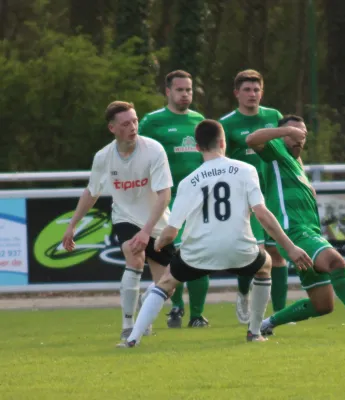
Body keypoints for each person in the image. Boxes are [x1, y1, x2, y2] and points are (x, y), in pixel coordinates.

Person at [116, 120, 313, 347]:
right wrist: (290, 248)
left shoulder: (189, 181)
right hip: (239, 249)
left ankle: (132, 339)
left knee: (166, 282)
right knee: (265, 265)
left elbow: (171, 232)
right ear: (223, 142)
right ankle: (254, 332)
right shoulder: (246, 170)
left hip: (199, 252)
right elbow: (263, 215)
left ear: (198, 148)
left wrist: (159, 244)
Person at [245, 115, 345, 335]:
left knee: (323, 305)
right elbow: (252, 140)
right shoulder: (275, 153)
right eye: (294, 133)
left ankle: (264, 325)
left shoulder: (296, 164)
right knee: (335, 261)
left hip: (309, 231)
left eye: (303, 134)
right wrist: (285, 132)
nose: (299, 138)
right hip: (294, 232)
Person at [62, 101, 175, 340]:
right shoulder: (103, 157)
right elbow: (91, 192)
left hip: (156, 222)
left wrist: (147, 231)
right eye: (126, 123)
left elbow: (165, 194)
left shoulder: (154, 150)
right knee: (134, 255)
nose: (133, 127)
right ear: (112, 128)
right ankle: (128, 324)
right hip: (125, 217)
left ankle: (145, 302)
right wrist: (72, 225)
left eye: (135, 121)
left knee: (168, 285)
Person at [138, 70, 210, 329]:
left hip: (199, 200)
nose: (185, 94)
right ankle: (176, 307)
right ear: (168, 91)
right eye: (179, 90)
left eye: (188, 90)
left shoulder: (199, 120)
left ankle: (198, 315)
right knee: (175, 256)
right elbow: (139, 155)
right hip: (167, 199)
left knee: (201, 255)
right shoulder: (152, 122)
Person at [219, 69, 289, 324]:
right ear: (237, 93)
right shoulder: (226, 124)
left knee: (278, 252)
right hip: (242, 195)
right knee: (254, 252)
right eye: (247, 90)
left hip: (272, 190)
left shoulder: (274, 116)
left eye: (256, 89)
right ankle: (243, 292)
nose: (252, 94)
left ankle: (280, 312)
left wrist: (300, 174)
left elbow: (291, 149)